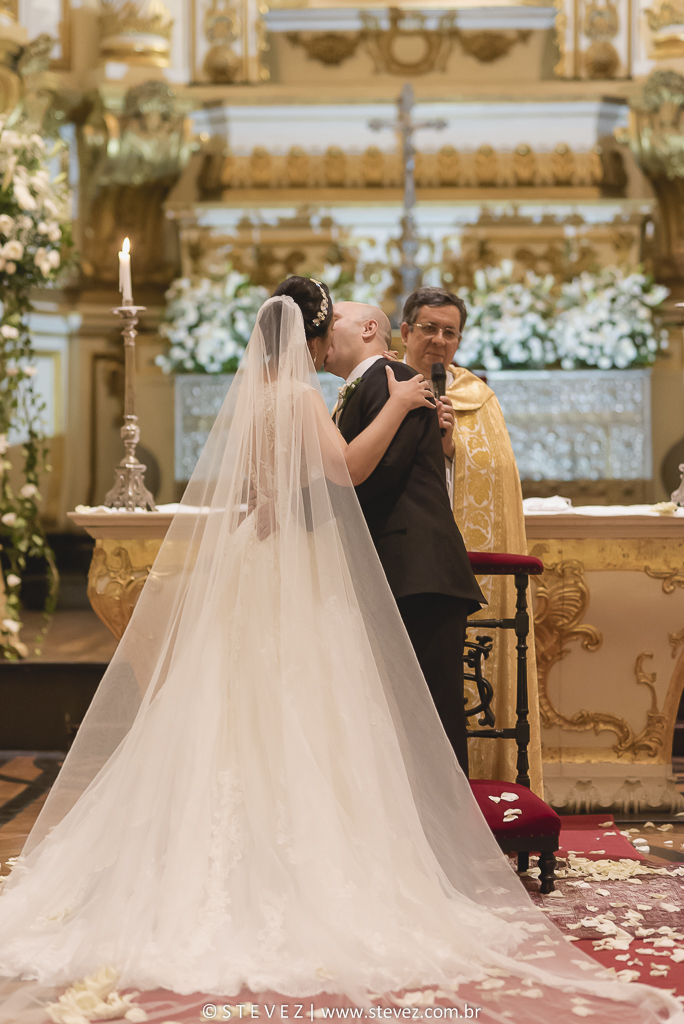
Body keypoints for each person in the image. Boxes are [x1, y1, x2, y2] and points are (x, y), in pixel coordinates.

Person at [0, 292, 679, 1024]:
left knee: (247, 711)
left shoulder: (259, 401)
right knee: (308, 706)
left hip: (261, 558)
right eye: (326, 333)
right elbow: (349, 471)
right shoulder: (304, 396)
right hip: (297, 567)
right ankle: (339, 864)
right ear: (312, 333)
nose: (328, 347)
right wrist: (405, 405)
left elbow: (266, 492)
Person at [324, 300, 484, 779]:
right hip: (401, 570)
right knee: (404, 713)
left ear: (369, 328)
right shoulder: (373, 384)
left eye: (335, 319)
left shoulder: (391, 378)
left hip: (417, 571)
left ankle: (449, 824)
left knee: (431, 715)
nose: (324, 327)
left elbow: (379, 474)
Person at [400, 286, 543, 795]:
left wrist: (448, 449)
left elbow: (494, 472)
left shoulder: (476, 398)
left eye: (450, 332)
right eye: (428, 328)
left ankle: (462, 795)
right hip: (399, 563)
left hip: (450, 571)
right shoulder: (379, 385)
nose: (438, 340)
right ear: (405, 332)